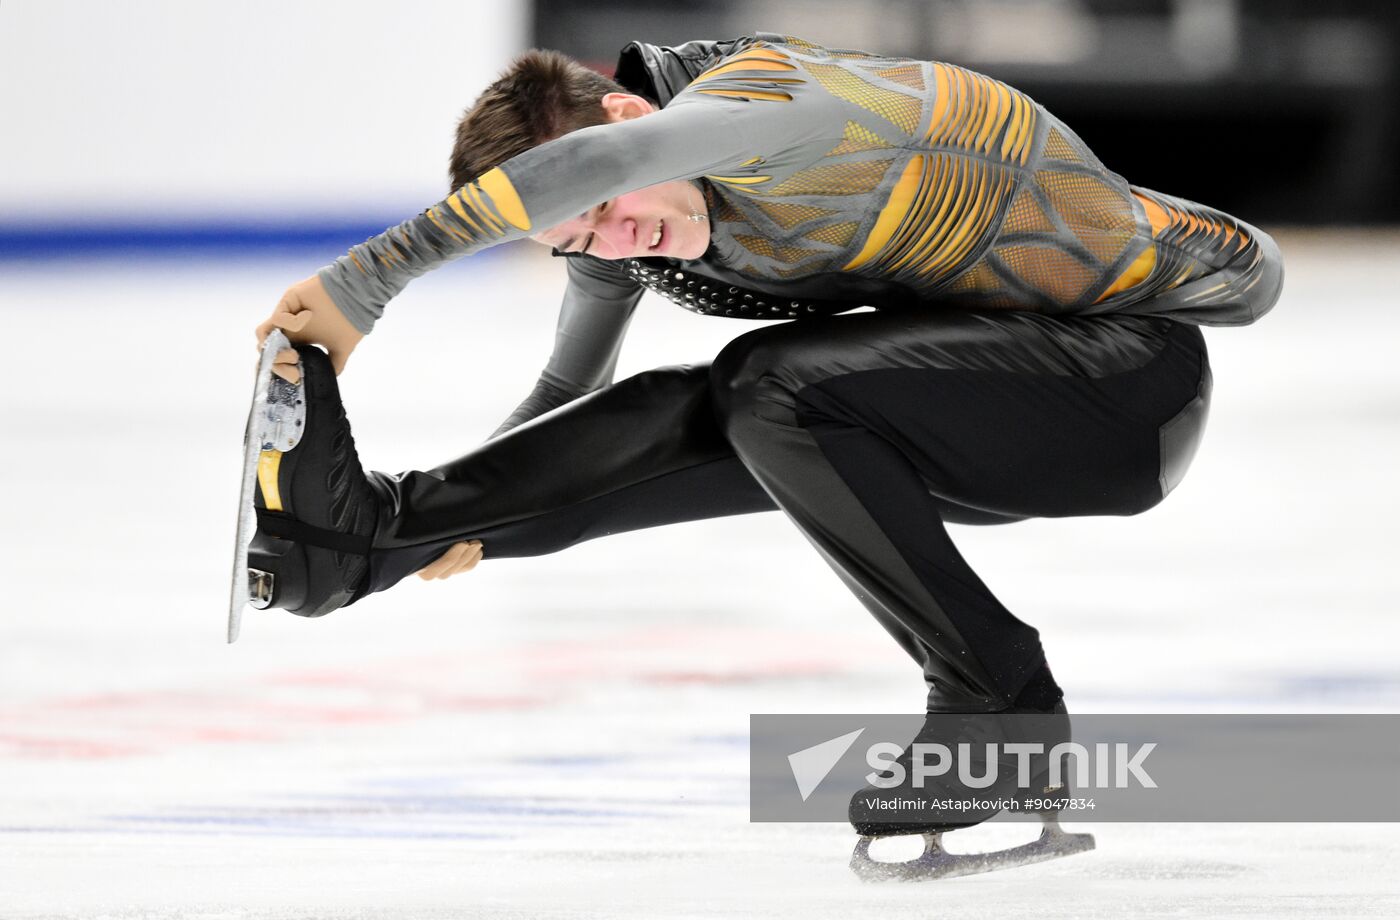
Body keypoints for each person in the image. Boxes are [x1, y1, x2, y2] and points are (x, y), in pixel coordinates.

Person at [246, 33, 1282, 874]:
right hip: (984, 390)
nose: (611, 244)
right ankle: (357, 540)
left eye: (603, 214)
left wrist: (364, 281)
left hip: (1119, 384)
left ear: (627, 120)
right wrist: (465, 516)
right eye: (574, 242)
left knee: (769, 386)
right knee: (724, 405)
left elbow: (596, 175)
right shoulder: (624, 218)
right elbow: (573, 395)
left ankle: (1000, 710)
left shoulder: (774, 105)